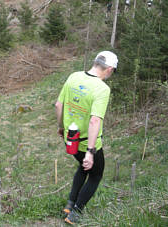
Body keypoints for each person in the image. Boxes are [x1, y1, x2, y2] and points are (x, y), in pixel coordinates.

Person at [55, 51, 118, 225]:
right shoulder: (102, 88)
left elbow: (58, 104)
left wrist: (61, 127)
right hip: (87, 143)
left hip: (70, 139)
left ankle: (70, 204)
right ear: (109, 69)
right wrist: (90, 152)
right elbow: (94, 120)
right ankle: (75, 213)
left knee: (82, 168)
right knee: (96, 175)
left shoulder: (74, 76)